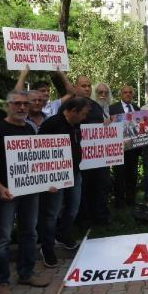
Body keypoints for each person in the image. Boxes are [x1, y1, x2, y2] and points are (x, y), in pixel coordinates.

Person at [0, 90, 50, 294]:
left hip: (29, 191)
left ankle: (26, 273)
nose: (22, 107)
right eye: (17, 104)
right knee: (2, 238)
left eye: (25, 104)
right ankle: (1, 282)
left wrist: (47, 182)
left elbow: (34, 160)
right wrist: (0, 187)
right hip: (5, 193)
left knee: (29, 232)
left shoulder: (29, 128)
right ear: (8, 105)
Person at [38, 97, 90, 267]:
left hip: (74, 172)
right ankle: (47, 248)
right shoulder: (52, 124)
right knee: (51, 212)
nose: (84, 118)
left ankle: (63, 234)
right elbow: (40, 150)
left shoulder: (76, 124)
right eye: (82, 114)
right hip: (55, 175)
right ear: (73, 111)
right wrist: (47, 177)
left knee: (74, 207)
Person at [75, 75, 112, 226]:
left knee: (101, 185)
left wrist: (108, 125)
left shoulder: (95, 105)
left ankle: (101, 217)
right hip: (81, 156)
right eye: (83, 86)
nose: (87, 88)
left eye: (89, 86)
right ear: (75, 87)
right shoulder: (71, 104)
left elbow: (101, 125)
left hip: (99, 156)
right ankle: (84, 219)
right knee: (84, 187)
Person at [109, 85, 141, 208]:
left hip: (134, 148)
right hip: (119, 148)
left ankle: (131, 200)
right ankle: (119, 202)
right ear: (120, 94)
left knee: (132, 175)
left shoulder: (137, 108)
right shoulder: (112, 108)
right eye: (125, 92)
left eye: (130, 92)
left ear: (132, 95)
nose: (128, 94)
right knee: (119, 176)